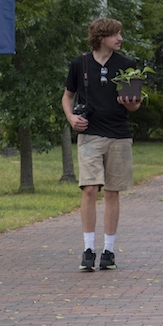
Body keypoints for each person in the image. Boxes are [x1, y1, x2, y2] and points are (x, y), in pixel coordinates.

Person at [61, 18, 143, 272]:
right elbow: (68, 96)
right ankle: (88, 249)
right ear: (101, 37)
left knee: (112, 191)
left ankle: (108, 250)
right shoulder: (80, 63)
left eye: (120, 33)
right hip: (90, 134)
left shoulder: (127, 66)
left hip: (119, 134)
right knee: (89, 189)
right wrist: (71, 117)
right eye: (115, 34)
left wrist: (129, 102)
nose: (120, 38)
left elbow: (135, 104)